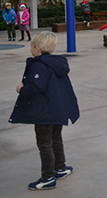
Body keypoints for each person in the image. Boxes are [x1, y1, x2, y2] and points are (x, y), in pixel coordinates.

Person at [9, 31, 79, 191]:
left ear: (37, 48)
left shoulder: (39, 65)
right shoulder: (56, 63)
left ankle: (48, 177)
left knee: (44, 143)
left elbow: (36, 87)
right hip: (57, 109)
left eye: (32, 46)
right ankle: (60, 168)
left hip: (45, 111)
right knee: (56, 139)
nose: (31, 48)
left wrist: (21, 89)